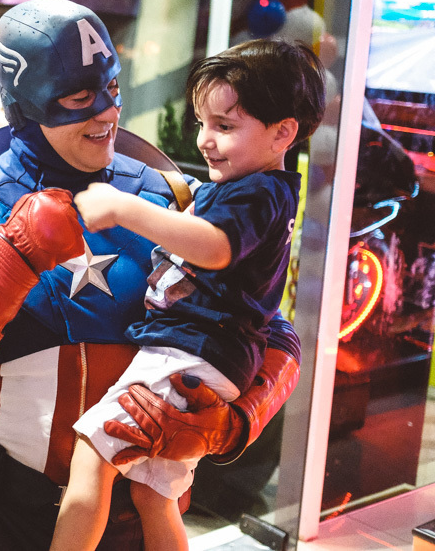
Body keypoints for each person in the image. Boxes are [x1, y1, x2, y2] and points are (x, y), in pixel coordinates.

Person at [0, 0, 303, 550]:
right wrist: (7, 260)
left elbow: (272, 331)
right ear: (28, 103)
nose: (106, 112)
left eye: (112, 89)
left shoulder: (170, 197)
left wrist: (235, 421)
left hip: (127, 513)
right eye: (77, 97)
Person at [50, 40, 326, 551]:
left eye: (225, 126)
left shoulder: (259, 191)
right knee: (156, 495)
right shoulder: (250, 186)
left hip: (188, 354)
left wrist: (122, 208)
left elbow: (214, 247)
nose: (205, 140)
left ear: (283, 132)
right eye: (202, 123)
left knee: (90, 453)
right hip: (205, 358)